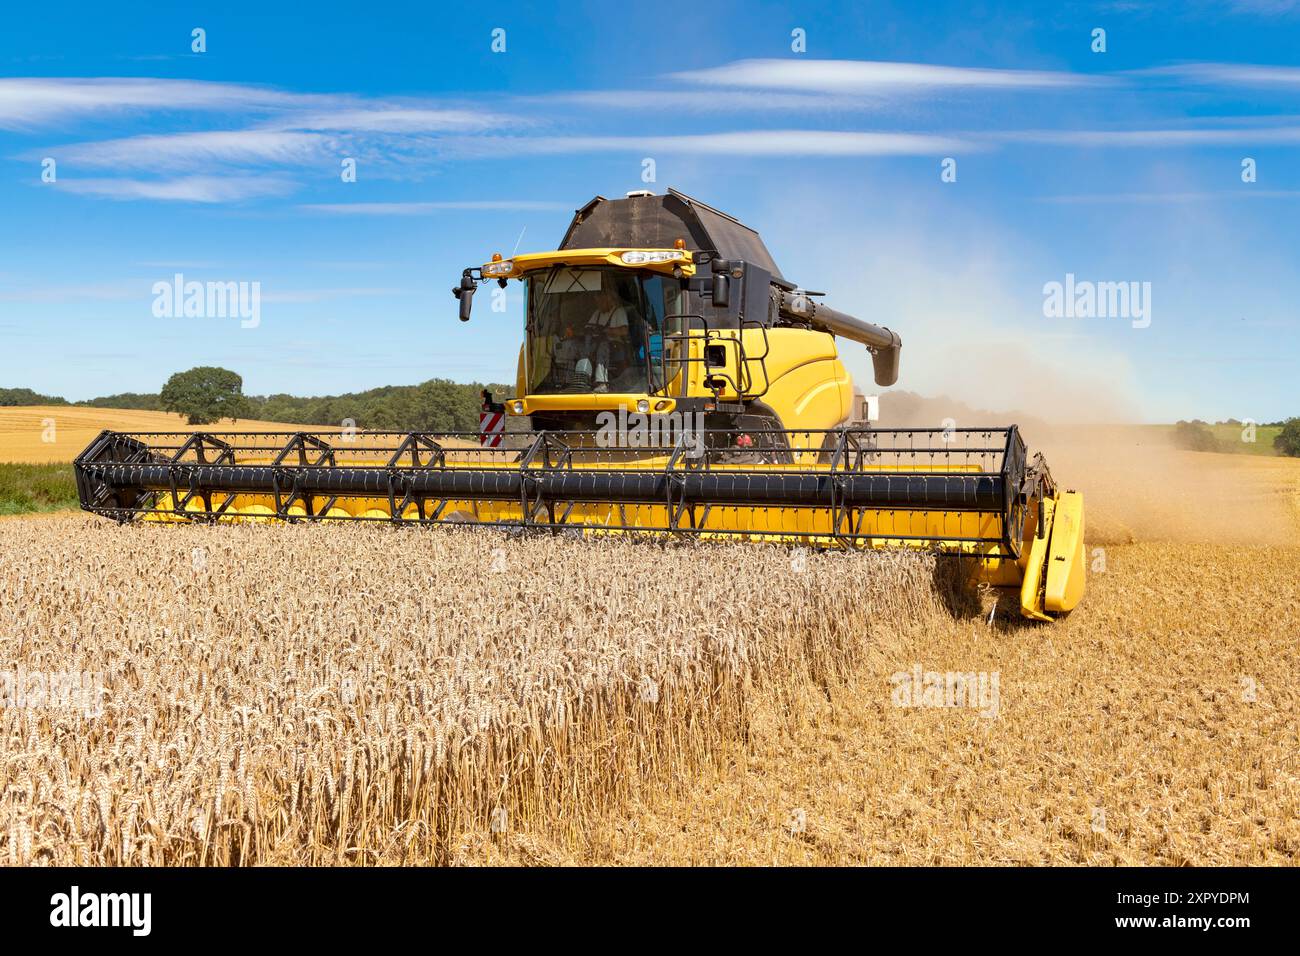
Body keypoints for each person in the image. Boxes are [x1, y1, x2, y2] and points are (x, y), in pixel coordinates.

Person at [580, 286, 630, 392]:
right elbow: (588, 327)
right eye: (597, 302)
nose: (598, 304)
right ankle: (579, 380)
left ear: (609, 300)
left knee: (602, 346)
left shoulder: (618, 311)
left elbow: (624, 331)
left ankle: (602, 382)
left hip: (615, 345)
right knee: (577, 346)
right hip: (597, 342)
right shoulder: (597, 312)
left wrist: (607, 330)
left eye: (601, 301)